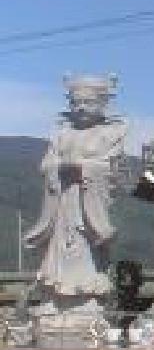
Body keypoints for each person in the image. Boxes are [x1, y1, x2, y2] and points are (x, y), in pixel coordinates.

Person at [25, 75, 127, 314]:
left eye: (88, 102)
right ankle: (54, 297)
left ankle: (87, 299)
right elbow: (47, 164)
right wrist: (57, 167)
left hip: (88, 207)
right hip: (62, 206)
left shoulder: (109, 134)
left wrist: (84, 167)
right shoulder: (62, 134)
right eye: (76, 102)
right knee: (58, 253)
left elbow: (111, 170)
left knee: (86, 253)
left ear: (103, 104)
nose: (81, 108)